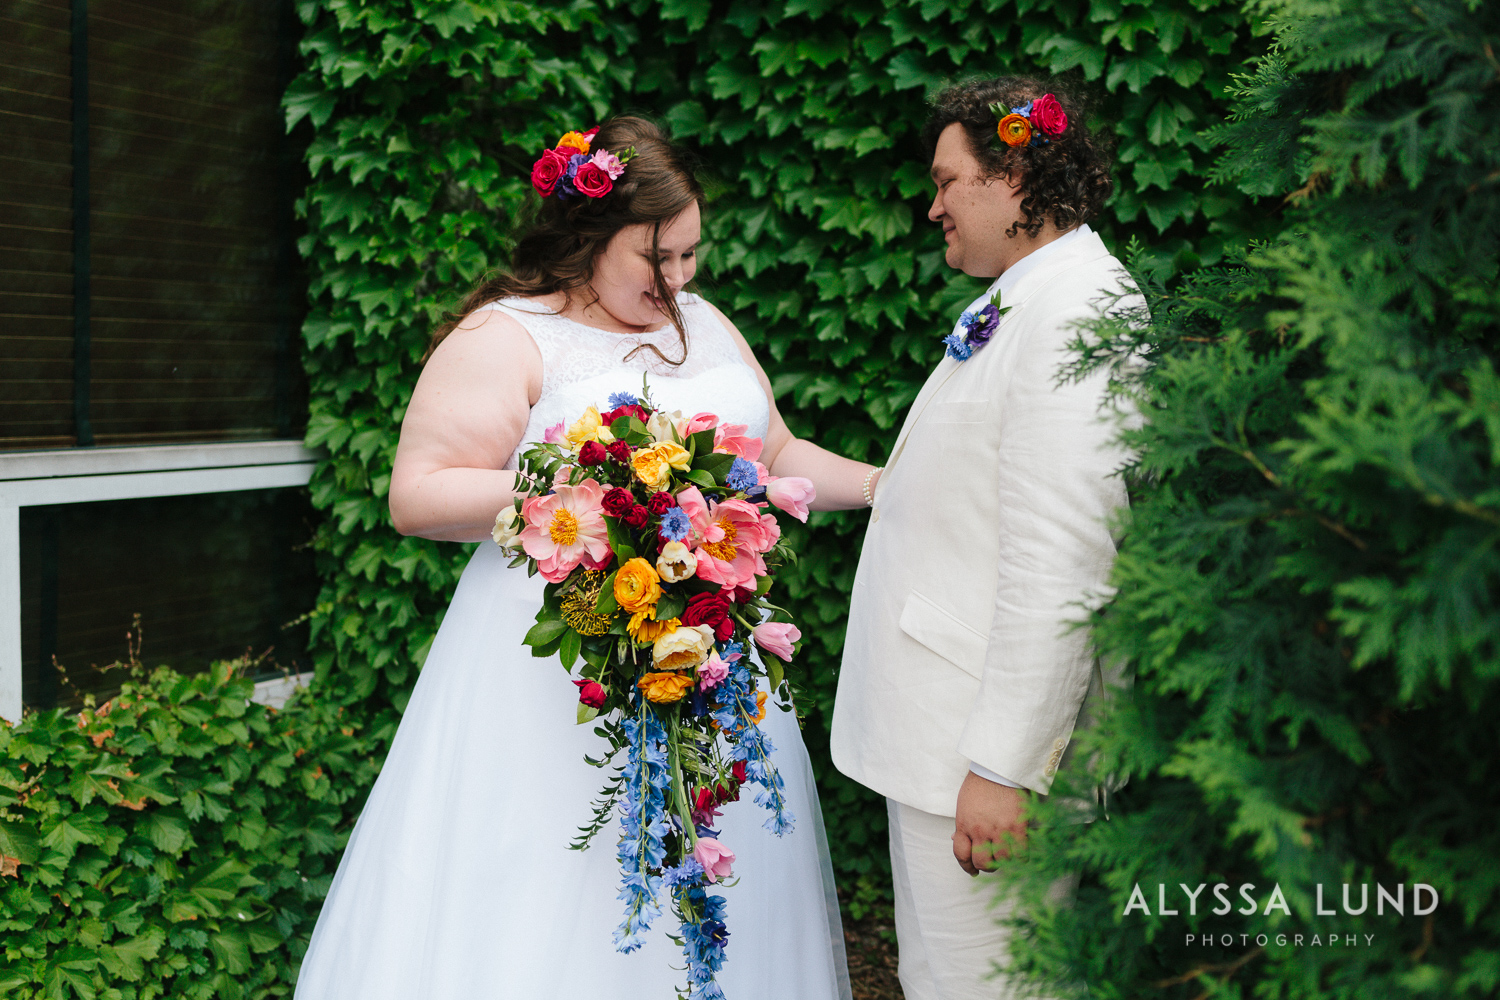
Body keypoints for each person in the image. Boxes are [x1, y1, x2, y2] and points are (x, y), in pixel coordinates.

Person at [294, 117, 875, 999]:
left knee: (717, 872)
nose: (679, 282)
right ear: (589, 239)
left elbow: (777, 455)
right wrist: (589, 493)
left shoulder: (705, 323)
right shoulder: (507, 336)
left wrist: (885, 484)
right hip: (554, 669)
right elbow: (417, 494)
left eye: (691, 256)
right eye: (657, 260)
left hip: (704, 654)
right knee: (553, 885)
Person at [830, 78, 1135, 1000]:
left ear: (1012, 176)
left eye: (947, 180)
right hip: (941, 737)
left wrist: (1005, 768)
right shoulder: (1030, 294)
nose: (933, 206)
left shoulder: (1079, 311)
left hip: (980, 754)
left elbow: (1066, 558)